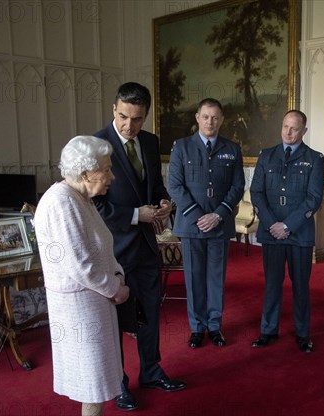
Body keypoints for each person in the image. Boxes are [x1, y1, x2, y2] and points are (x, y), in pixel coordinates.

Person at [93, 82, 186, 412]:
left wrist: (163, 204)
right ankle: (118, 384)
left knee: (148, 316)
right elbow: (96, 207)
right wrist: (136, 215)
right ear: (113, 109)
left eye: (137, 119)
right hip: (113, 250)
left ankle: (151, 371)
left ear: (145, 117)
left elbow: (155, 185)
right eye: (123, 117)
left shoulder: (149, 142)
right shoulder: (96, 145)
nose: (128, 126)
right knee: (116, 322)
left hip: (146, 247)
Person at [34, 135, 130, 416]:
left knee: (96, 381)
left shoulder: (81, 198)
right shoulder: (61, 203)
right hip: (80, 309)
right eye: (107, 169)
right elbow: (79, 266)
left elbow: (101, 248)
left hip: (94, 302)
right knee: (92, 383)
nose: (112, 176)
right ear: (85, 172)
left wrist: (117, 275)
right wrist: (116, 288)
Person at [168, 98, 245, 348]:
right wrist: (198, 215)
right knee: (193, 278)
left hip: (219, 224)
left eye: (215, 117)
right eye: (205, 117)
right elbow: (175, 186)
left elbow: (237, 186)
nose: (210, 122)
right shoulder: (181, 147)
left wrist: (218, 215)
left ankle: (215, 326)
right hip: (192, 224)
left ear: (221, 120)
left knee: (215, 277)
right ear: (197, 118)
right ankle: (197, 327)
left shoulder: (232, 149)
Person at [249, 110, 324, 352]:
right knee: (272, 283)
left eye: (294, 128)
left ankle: (303, 334)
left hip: (299, 234)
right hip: (272, 232)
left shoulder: (314, 158)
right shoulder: (267, 155)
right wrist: (273, 224)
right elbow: (256, 192)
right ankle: (268, 330)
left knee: (301, 285)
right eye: (285, 127)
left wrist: (288, 226)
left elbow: (313, 199)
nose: (288, 132)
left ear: (304, 130)